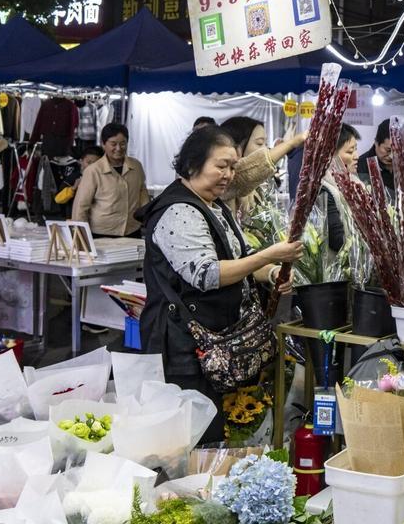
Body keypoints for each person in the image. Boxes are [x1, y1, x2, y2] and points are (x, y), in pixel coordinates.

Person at [137, 126, 303, 443]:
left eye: (232, 166)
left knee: (218, 436)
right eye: (221, 165)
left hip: (213, 344)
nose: (229, 174)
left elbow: (235, 259)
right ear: (191, 165)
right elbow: (207, 274)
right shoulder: (179, 210)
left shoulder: (212, 204)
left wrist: (270, 272)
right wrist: (269, 255)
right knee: (195, 438)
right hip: (185, 349)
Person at [72, 123, 149, 237]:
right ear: (103, 144)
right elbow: (81, 207)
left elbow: (142, 193)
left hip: (132, 231)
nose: (118, 148)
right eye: (113, 144)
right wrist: (81, 237)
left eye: (123, 143)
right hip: (101, 233)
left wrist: (147, 219)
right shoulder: (93, 171)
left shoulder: (136, 166)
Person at [219, 116, 306, 215]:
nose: (265, 148)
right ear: (237, 147)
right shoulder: (228, 180)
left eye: (266, 143)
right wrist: (293, 142)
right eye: (259, 143)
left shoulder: (260, 186)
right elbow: (246, 171)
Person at [322, 123, 361, 257]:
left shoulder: (355, 182)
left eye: (356, 149)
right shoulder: (324, 188)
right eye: (350, 151)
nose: (356, 156)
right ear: (331, 155)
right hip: (340, 265)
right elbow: (336, 239)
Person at [358, 118, 395, 193]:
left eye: (396, 151)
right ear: (376, 142)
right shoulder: (361, 166)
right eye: (388, 150)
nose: (392, 156)